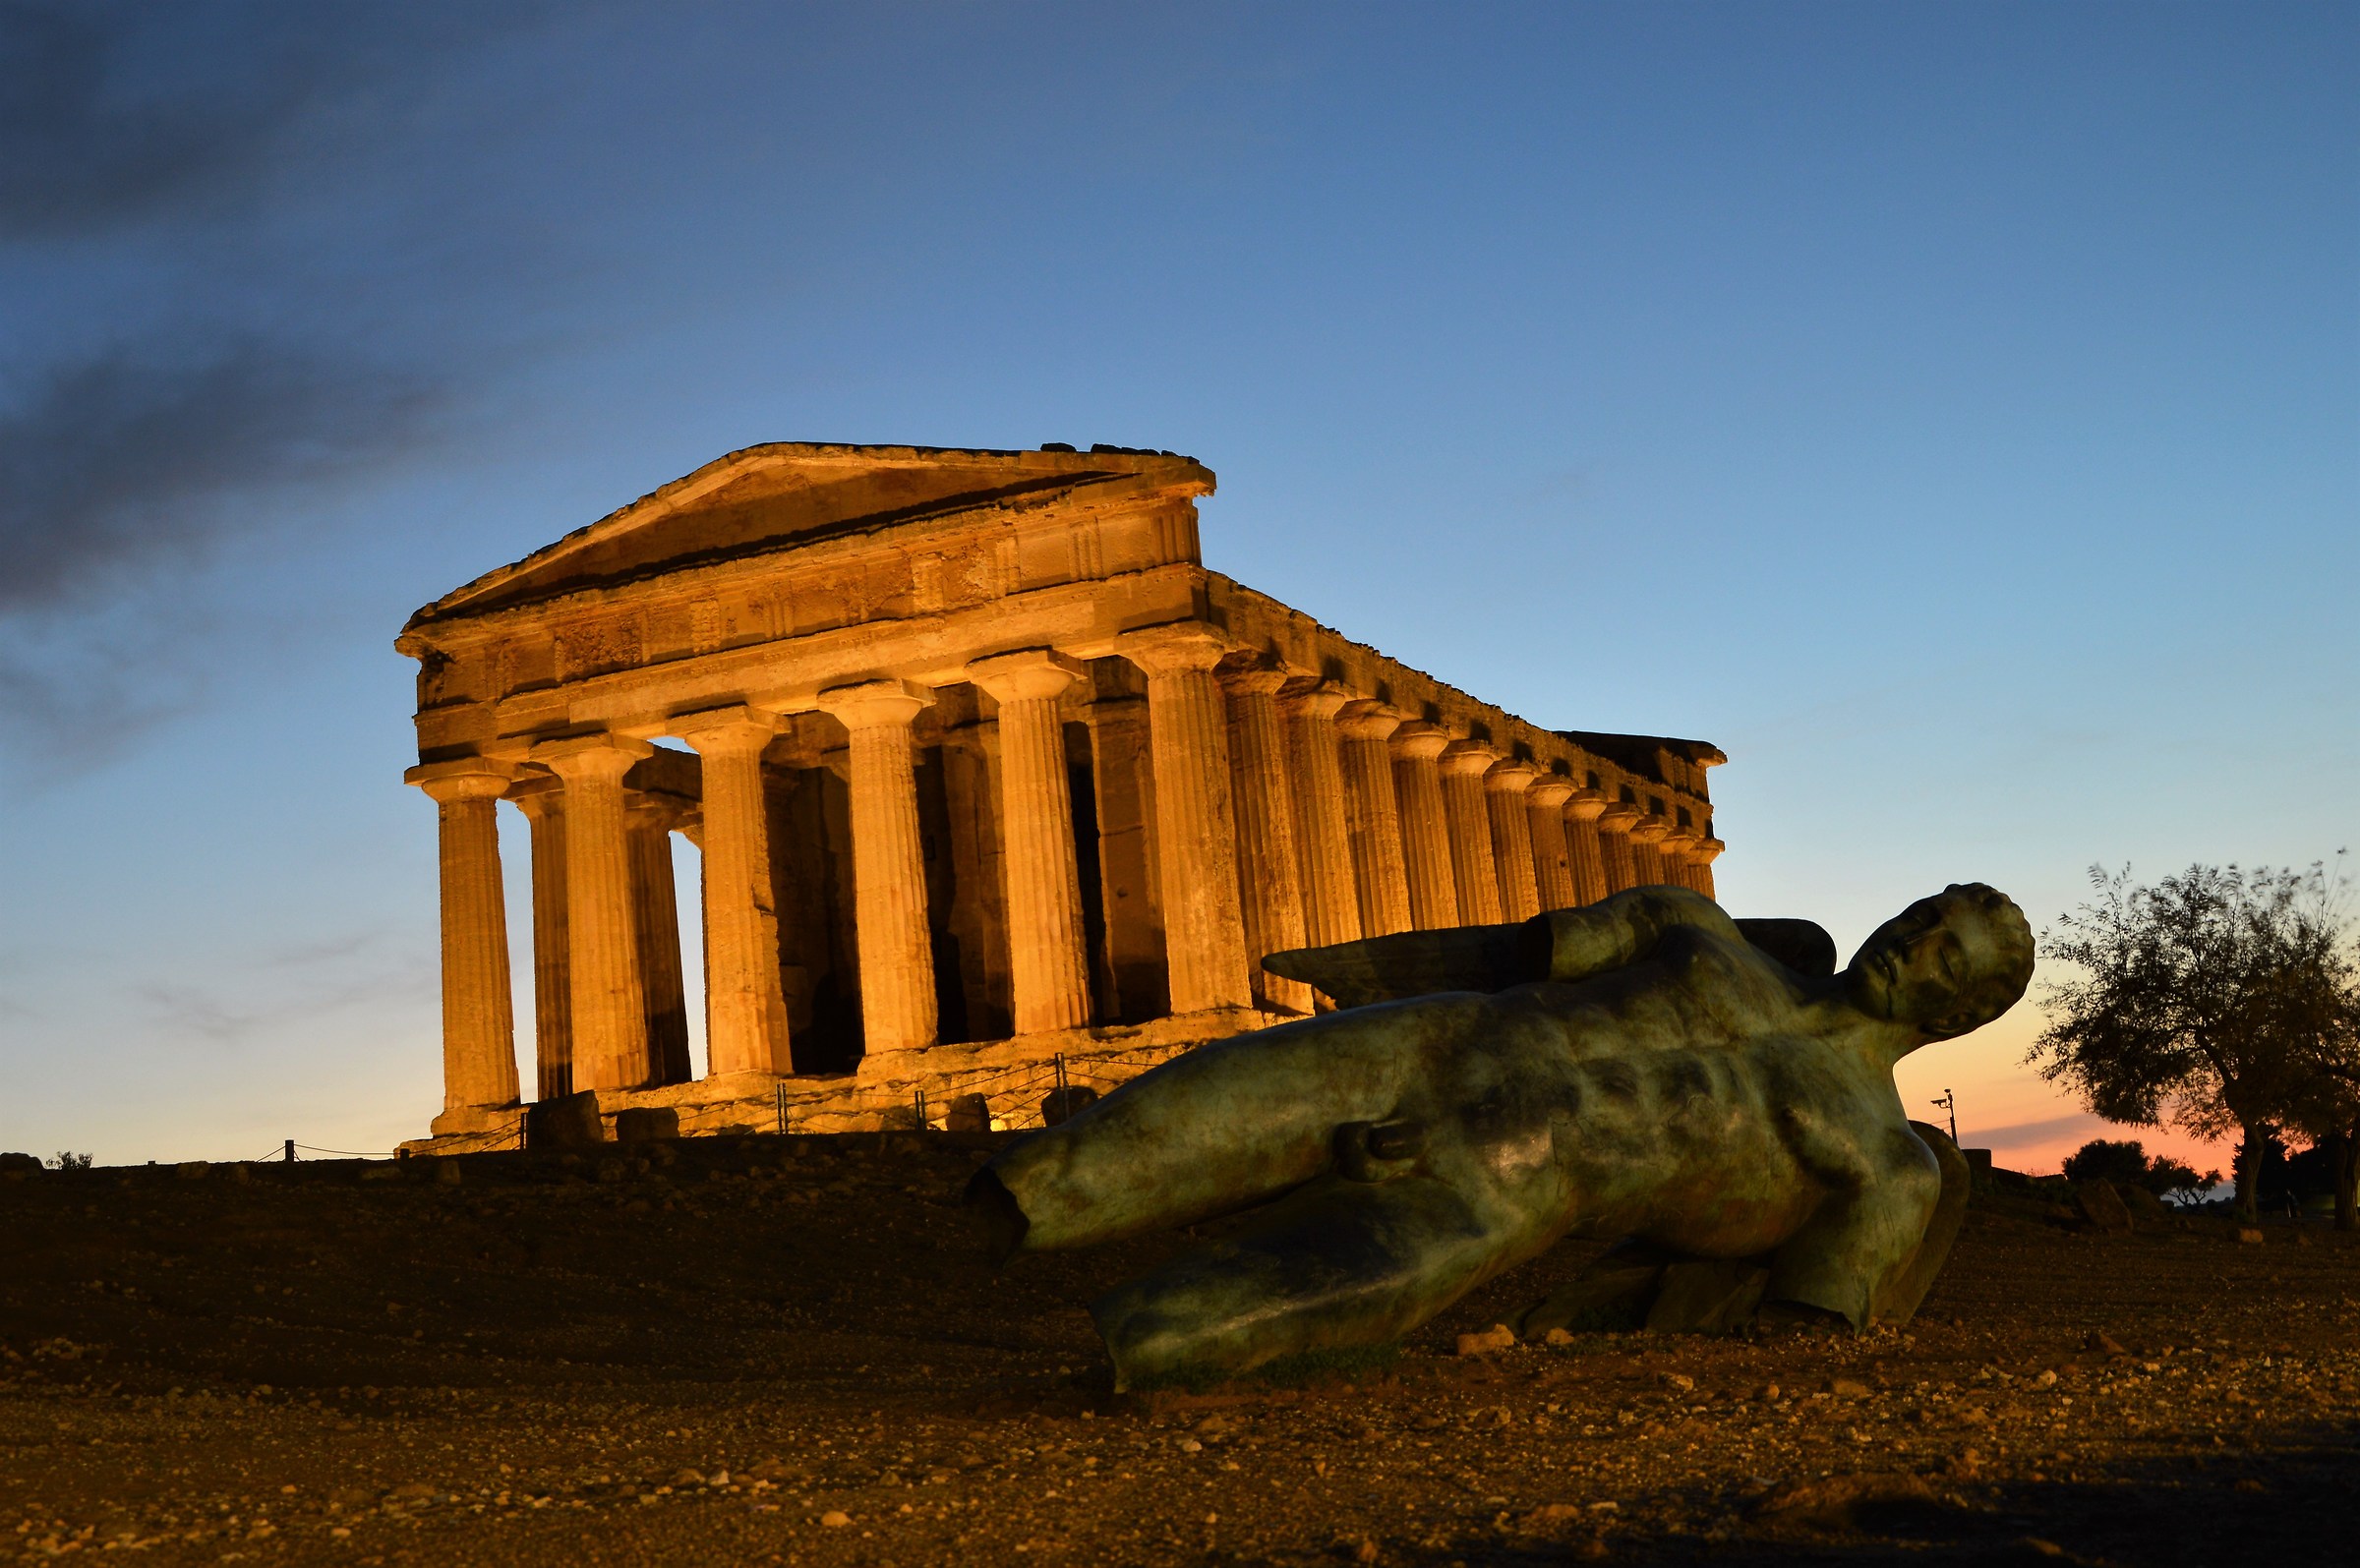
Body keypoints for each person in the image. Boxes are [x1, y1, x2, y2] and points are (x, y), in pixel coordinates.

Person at [971, 883, 2035, 1387]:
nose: (1916, 941)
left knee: (1174, 1333)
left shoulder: (1888, 1159)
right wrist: (1357, 971)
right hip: (1430, 1043)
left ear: (1961, 1014)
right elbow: (1509, 953)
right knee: (1088, 1156)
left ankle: (1073, 1371)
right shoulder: (1712, 933)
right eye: (1926, 915)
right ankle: (987, 1222)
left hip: (1510, 1178)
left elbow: (1799, 1327)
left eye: (1949, 956)